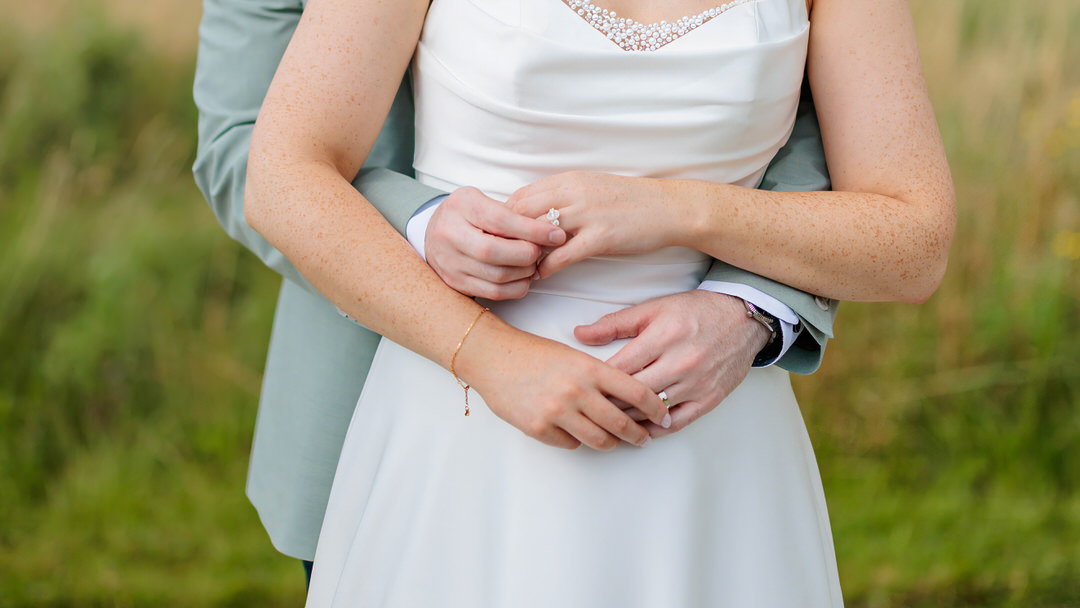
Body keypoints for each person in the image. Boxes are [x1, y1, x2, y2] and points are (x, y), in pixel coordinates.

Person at [247, 0, 959, 601]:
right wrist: (487, 356)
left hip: (712, 432)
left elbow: (915, 242)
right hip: (466, 419)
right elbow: (283, 175)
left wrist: (675, 210)